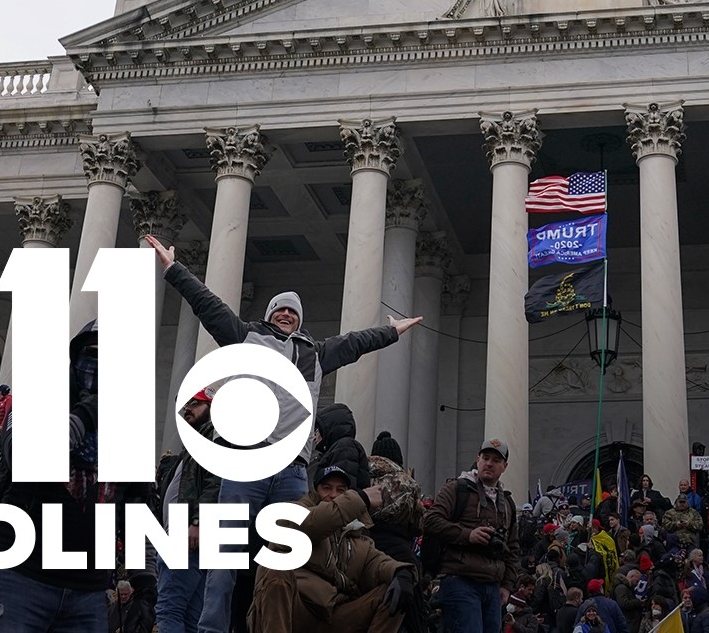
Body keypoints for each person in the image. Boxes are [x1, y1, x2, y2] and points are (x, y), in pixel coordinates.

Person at [148, 233, 420, 633]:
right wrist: (174, 270)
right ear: (270, 314)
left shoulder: (315, 353)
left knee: (293, 550)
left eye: (293, 312)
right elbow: (208, 306)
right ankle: (212, 629)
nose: (287, 315)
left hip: (292, 468)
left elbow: (355, 344)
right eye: (281, 310)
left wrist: (391, 332)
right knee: (225, 554)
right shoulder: (246, 337)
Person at [0, 319, 134, 631]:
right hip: (22, 577)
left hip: (89, 591)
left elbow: (135, 504)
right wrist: (89, 413)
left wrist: (145, 581)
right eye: (94, 354)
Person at [250, 462, 414, 633]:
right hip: (296, 611)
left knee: (394, 591)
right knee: (277, 570)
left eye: (340, 490)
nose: (333, 495)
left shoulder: (357, 536)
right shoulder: (293, 514)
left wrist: (401, 573)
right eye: (327, 488)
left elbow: (377, 562)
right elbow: (314, 523)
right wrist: (361, 499)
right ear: (315, 491)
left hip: (333, 617)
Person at [428, 439, 523, 633]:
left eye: (496, 460)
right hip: (460, 581)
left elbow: (512, 548)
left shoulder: (507, 502)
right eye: (485, 457)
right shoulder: (456, 489)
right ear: (477, 459)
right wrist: (468, 535)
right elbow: (430, 521)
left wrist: (507, 585)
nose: (489, 463)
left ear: (504, 466)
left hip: (493, 588)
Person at [158, 391, 220, 633]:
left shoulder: (211, 438)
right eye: (185, 404)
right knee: (192, 618)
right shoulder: (196, 443)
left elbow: (215, 482)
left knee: (168, 610)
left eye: (195, 403)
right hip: (193, 539)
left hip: (188, 537)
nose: (188, 409)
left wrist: (197, 522)